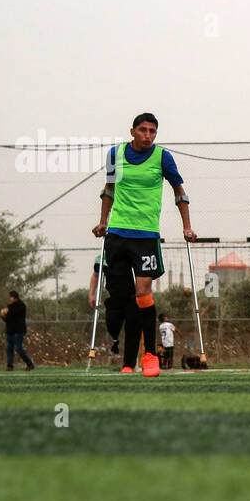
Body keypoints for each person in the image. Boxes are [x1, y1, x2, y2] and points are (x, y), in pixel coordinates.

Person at [92, 113, 197, 377]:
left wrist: (187, 225)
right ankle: (127, 360)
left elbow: (180, 191)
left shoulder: (163, 158)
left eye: (152, 131)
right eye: (143, 130)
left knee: (143, 293)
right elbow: (109, 189)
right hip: (117, 233)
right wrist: (102, 221)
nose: (148, 135)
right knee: (120, 300)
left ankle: (150, 355)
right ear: (132, 131)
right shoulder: (115, 155)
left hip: (146, 236)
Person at [88, 252, 134, 358]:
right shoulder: (101, 259)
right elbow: (95, 275)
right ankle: (115, 341)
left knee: (132, 327)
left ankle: (131, 359)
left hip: (130, 296)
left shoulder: (129, 254)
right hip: (114, 297)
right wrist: (91, 294)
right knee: (112, 322)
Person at [0, 291, 34, 371]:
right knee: (9, 348)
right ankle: (10, 366)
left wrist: (7, 312)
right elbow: (8, 320)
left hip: (18, 331)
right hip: (10, 331)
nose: (9, 299)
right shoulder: (10, 307)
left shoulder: (21, 306)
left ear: (15, 297)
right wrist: (3, 316)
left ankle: (30, 364)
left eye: (10, 297)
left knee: (18, 348)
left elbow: (14, 315)